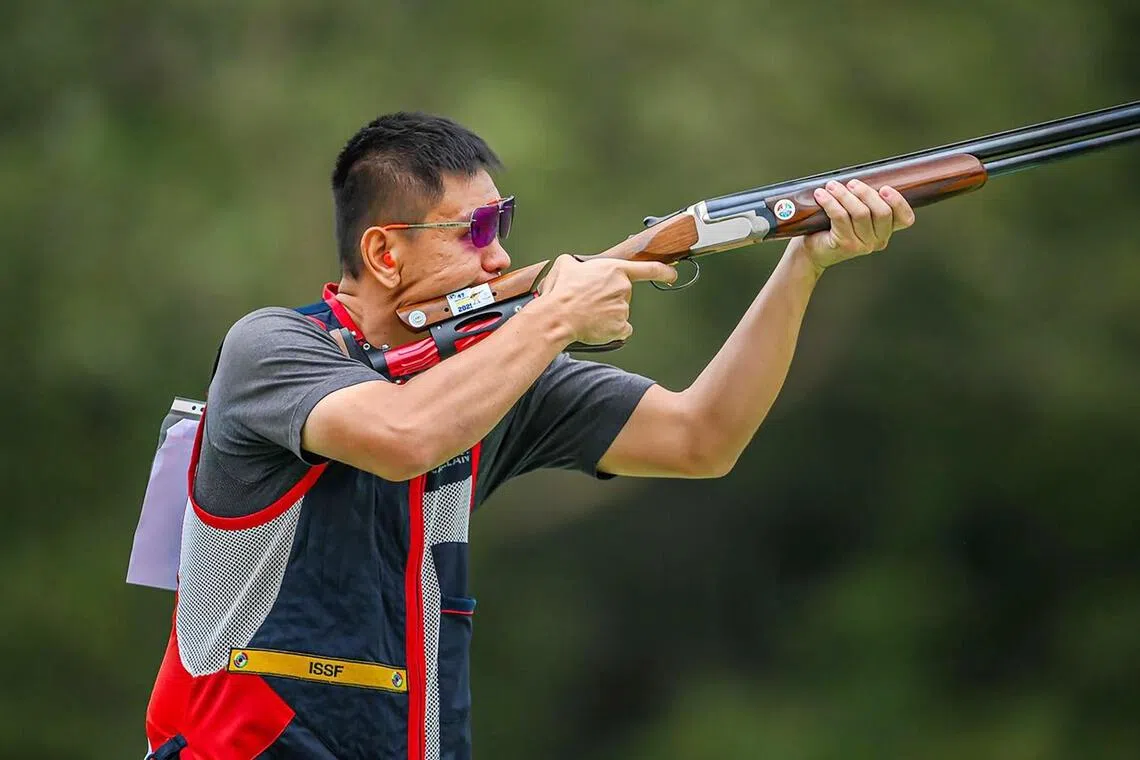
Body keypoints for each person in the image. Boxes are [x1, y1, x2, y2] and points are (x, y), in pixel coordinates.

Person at [143, 112, 915, 760]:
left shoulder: (495, 372)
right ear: (384, 252)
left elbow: (701, 438)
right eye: (475, 229)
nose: (502, 254)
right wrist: (552, 320)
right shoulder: (271, 347)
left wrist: (803, 264)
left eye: (501, 222)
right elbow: (403, 434)